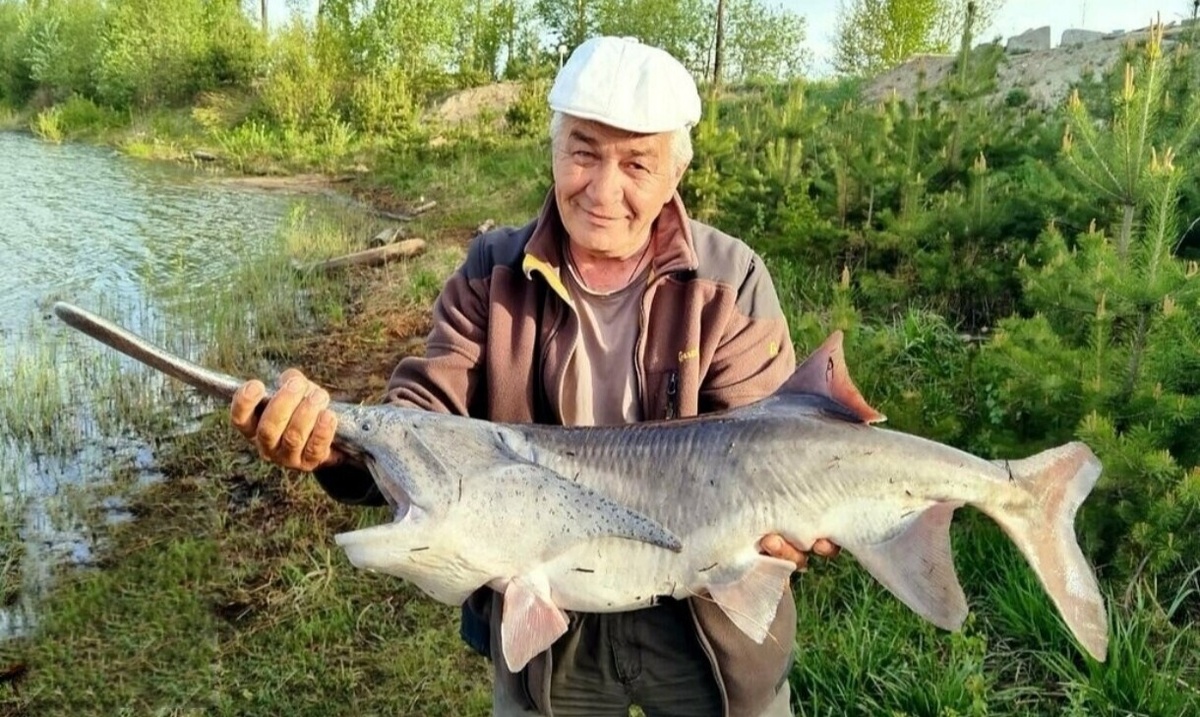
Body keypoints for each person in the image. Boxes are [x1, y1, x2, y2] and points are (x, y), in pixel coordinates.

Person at [230, 35, 837, 717]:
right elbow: (422, 415)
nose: (604, 190)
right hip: (546, 626)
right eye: (583, 152)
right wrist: (336, 444)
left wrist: (790, 514)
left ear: (677, 171)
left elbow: (774, 441)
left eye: (637, 162)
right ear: (552, 148)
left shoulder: (730, 278)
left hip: (701, 620)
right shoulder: (491, 271)